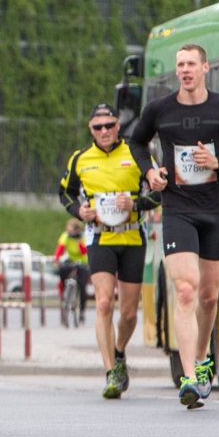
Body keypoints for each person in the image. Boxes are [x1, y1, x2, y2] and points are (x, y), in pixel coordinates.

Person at [129, 43, 219, 409]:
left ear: (206, 68)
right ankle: (189, 377)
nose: (185, 70)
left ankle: (203, 360)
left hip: (213, 210)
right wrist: (150, 172)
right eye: (180, 65)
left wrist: (217, 162)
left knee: (208, 295)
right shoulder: (159, 109)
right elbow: (137, 143)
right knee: (185, 291)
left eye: (191, 64)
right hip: (177, 210)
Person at [59, 103, 161, 399]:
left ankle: (119, 353)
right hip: (99, 238)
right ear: (90, 130)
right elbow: (63, 191)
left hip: (131, 237)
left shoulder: (136, 153)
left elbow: (159, 190)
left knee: (128, 313)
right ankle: (110, 372)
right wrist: (80, 211)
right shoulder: (80, 158)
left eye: (109, 125)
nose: (104, 131)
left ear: (118, 126)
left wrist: (136, 205)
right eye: (97, 127)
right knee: (104, 303)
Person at [53, 219, 90, 323]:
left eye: (72, 231)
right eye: (69, 231)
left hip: (83, 261)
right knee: (62, 270)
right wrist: (56, 259)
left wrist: (78, 242)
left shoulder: (83, 237)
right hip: (70, 260)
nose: (70, 233)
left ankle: (82, 311)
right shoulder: (65, 236)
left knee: (82, 285)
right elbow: (60, 248)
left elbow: (83, 251)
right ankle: (64, 291)